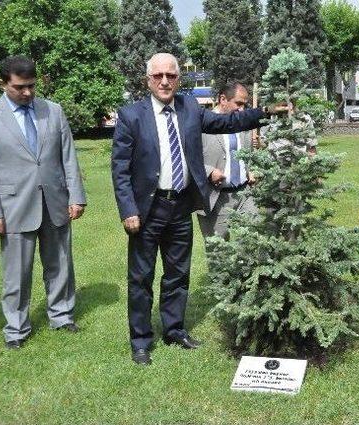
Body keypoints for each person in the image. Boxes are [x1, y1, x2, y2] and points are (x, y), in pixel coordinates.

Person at [111, 53, 286, 365]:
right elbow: (120, 169)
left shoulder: (190, 108)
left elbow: (227, 121)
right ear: (148, 80)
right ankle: (140, 341)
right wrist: (128, 210)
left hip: (180, 205)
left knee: (178, 273)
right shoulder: (131, 115)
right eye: (158, 76)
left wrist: (267, 112)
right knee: (141, 277)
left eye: (171, 76)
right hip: (147, 209)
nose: (165, 81)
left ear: (179, 79)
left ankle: (174, 329)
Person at [0, 55, 86, 349]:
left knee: (60, 264)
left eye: (32, 86)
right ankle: (16, 329)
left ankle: (61, 316)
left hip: (55, 201)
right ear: (3, 83)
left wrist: (77, 196)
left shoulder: (54, 111)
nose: (28, 93)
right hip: (12, 208)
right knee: (16, 274)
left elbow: (68, 157)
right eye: (20, 87)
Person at [198, 82, 257, 240]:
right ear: (223, 99)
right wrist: (209, 172)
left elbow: (248, 154)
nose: (242, 109)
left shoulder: (244, 123)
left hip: (245, 194)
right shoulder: (201, 124)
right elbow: (187, 157)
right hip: (216, 198)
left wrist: (250, 169)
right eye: (238, 103)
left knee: (256, 243)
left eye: (245, 105)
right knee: (219, 254)